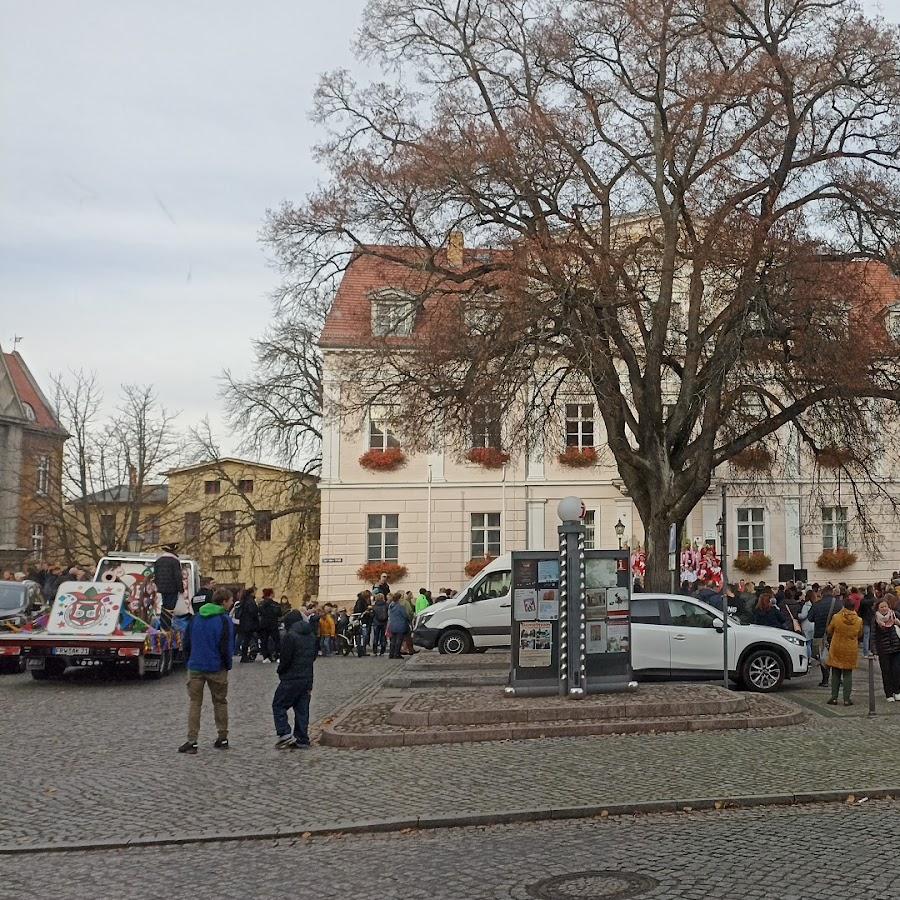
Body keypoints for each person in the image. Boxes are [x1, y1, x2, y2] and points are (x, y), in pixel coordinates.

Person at [178, 587, 235, 754]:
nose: (232, 603)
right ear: (224, 602)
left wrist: (189, 660)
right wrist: (227, 665)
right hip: (216, 667)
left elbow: (186, 643)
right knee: (220, 701)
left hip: (195, 666)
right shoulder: (224, 620)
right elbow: (226, 646)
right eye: (230, 600)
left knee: (195, 703)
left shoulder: (195, 618)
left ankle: (192, 741)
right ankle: (222, 737)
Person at [273, 610, 317, 749]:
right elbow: (313, 657)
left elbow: (286, 659)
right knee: (302, 709)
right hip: (306, 677)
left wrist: (280, 670)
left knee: (279, 705)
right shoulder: (311, 635)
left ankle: (285, 734)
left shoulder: (289, 636)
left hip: (290, 678)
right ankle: (302, 738)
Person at [825, 597, 863, 706]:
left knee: (835, 673)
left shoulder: (836, 617)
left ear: (844, 606)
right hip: (850, 648)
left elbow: (829, 630)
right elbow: (859, 634)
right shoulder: (859, 620)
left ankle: (834, 698)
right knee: (848, 674)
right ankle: (847, 699)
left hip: (837, 646)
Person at [808, 588, 840, 687]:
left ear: (822, 594)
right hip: (836, 634)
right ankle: (837, 679)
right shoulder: (839, 604)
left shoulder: (817, 604)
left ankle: (825, 680)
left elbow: (810, 618)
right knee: (836, 657)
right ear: (832, 593)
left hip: (820, 635)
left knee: (823, 658)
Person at [872, 597, 900, 701]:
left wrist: (898, 623)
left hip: (896, 647)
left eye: (885, 606)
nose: (884, 609)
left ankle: (897, 691)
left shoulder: (895, 615)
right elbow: (873, 635)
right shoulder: (875, 619)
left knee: (897, 670)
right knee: (886, 671)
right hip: (883, 649)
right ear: (878, 608)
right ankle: (888, 694)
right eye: (882, 607)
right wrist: (874, 650)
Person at [154, 544, 183, 631]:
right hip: (172, 588)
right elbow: (178, 576)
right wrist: (181, 589)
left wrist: (158, 586)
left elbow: (156, 575)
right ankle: (167, 626)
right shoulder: (175, 561)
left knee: (164, 606)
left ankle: (163, 625)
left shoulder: (158, 561)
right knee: (170, 607)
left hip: (162, 588)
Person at [257, 588, 282, 663]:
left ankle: (266, 657)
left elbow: (259, 612)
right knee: (276, 640)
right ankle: (278, 656)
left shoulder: (261, 604)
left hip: (264, 624)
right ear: (271, 594)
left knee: (264, 641)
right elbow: (279, 613)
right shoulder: (275, 604)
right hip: (273, 624)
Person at [237, 587, 260, 663]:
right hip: (249, 624)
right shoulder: (250, 601)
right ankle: (245, 656)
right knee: (247, 640)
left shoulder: (244, 600)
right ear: (252, 592)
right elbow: (253, 612)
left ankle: (245, 656)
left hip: (244, 623)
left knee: (246, 640)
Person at [387, 592, 411, 658]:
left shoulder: (390, 606)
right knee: (399, 640)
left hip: (392, 625)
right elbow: (405, 615)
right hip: (400, 625)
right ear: (399, 599)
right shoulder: (400, 607)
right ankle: (397, 654)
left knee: (393, 640)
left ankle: (391, 654)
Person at [353, 591, 372, 657]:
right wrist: (366, 610)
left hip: (362, 621)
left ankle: (361, 650)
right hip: (362, 621)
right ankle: (361, 650)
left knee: (362, 636)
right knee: (363, 636)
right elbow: (359, 611)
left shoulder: (360, 601)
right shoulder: (361, 602)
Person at [860, 586, 877, 659]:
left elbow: (861, 610)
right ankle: (871, 650)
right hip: (872, 619)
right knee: (872, 636)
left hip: (865, 619)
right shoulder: (874, 600)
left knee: (866, 636)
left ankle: (865, 652)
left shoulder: (863, 600)